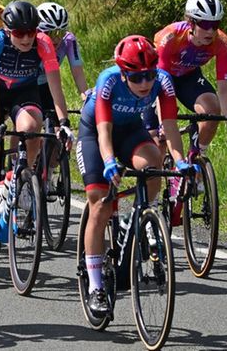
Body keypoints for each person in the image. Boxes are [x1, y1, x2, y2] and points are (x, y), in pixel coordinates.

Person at [77, 35, 191, 322]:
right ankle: (95, 286)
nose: (145, 83)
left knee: (153, 163)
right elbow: (103, 131)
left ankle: (139, 213)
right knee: (100, 204)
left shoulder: (163, 82)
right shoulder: (109, 81)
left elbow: (170, 127)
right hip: (95, 133)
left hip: (130, 131)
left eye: (149, 75)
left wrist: (180, 161)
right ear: (124, 73)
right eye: (137, 77)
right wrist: (108, 163)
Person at [0, 0, 70, 268]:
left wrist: (64, 122)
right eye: (19, 33)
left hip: (23, 92)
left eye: (31, 32)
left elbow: (55, 87)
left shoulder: (43, 43)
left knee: (30, 128)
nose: (26, 38)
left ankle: (15, 178)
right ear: (8, 30)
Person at [154, 0, 227, 148]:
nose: (211, 31)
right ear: (191, 22)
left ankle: (197, 155)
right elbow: (161, 82)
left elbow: (224, 87)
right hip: (159, 79)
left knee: (212, 110)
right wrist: (164, 123)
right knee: (158, 143)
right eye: (205, 24)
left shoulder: (221, 43)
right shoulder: (170, 37)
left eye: (215, 25)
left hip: (188, 77)